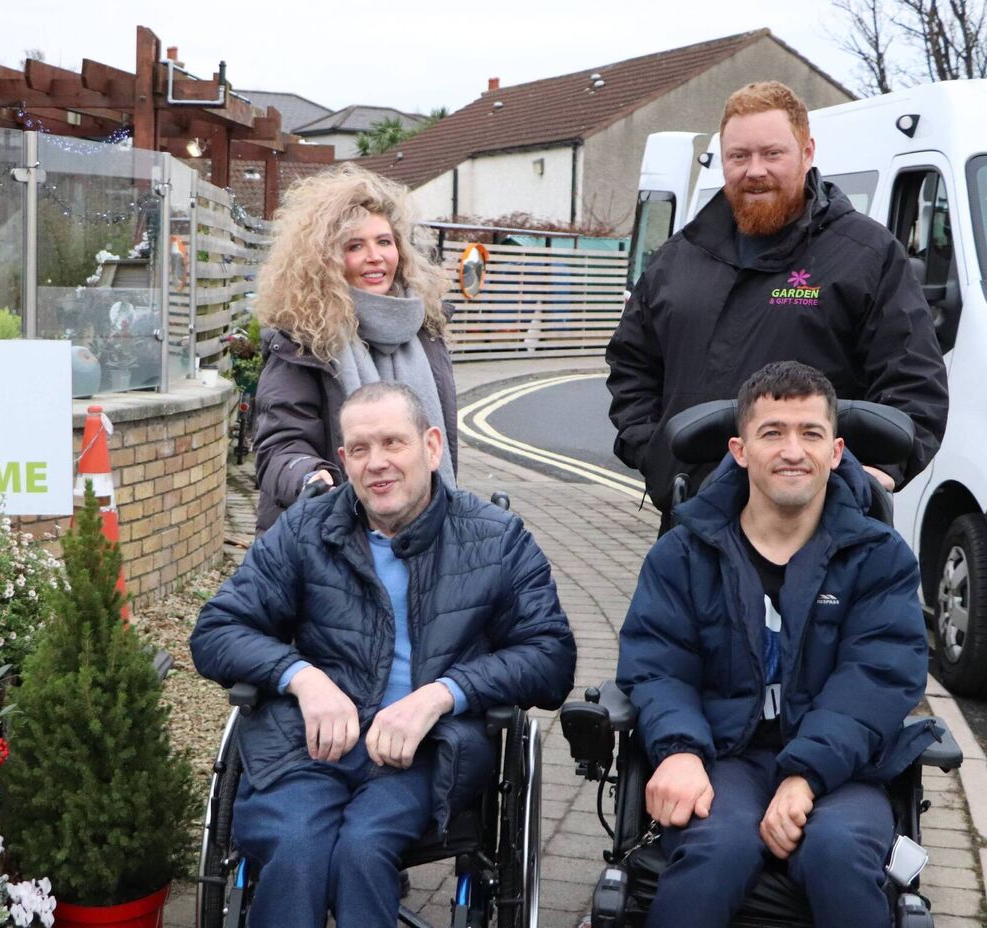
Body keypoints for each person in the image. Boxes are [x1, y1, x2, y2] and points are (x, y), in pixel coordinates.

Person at [190, 382, 575, 928]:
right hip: (310, 746)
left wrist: (442, 695)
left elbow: (550, 655)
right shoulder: (304, 529)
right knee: (295, 848)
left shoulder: (497, 539)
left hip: (426, 753)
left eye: (393, 442)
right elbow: (216, 630)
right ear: (343, 459)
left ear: (432, 446)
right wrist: (302, 678)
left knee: (362, 852)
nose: (377, 463)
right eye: (360, 449)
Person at [616, 361, 936, 928]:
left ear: (836, 452)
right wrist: (680, 749)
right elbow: (658, 666)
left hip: (844, 767)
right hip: (725, 755)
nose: (793, 450)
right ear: (739, 451)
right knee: (717, 849)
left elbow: (878, 677)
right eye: (773, 433)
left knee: (838, 850)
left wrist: (805, 775)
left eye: (810, 433)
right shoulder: (683, 554)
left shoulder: (880, 558)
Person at [606, 80, 948, 532]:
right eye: (739, 156)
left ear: (807, 153)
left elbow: (914, 384)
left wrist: (875, 475)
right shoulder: (678, 259)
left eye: (772, 154)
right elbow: (631, 366)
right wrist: (660, 459)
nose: (755, 170)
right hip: (697, 522)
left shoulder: (867, 255)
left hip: (821, 528)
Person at [252, 163, 456, 533]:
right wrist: (311, 477)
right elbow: (280, 445)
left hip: (424, 534)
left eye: (384, 242)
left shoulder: (426, 331)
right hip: (327, 535)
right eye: (355, 246)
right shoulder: (303, 340)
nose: (375, 256)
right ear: (326, 260)